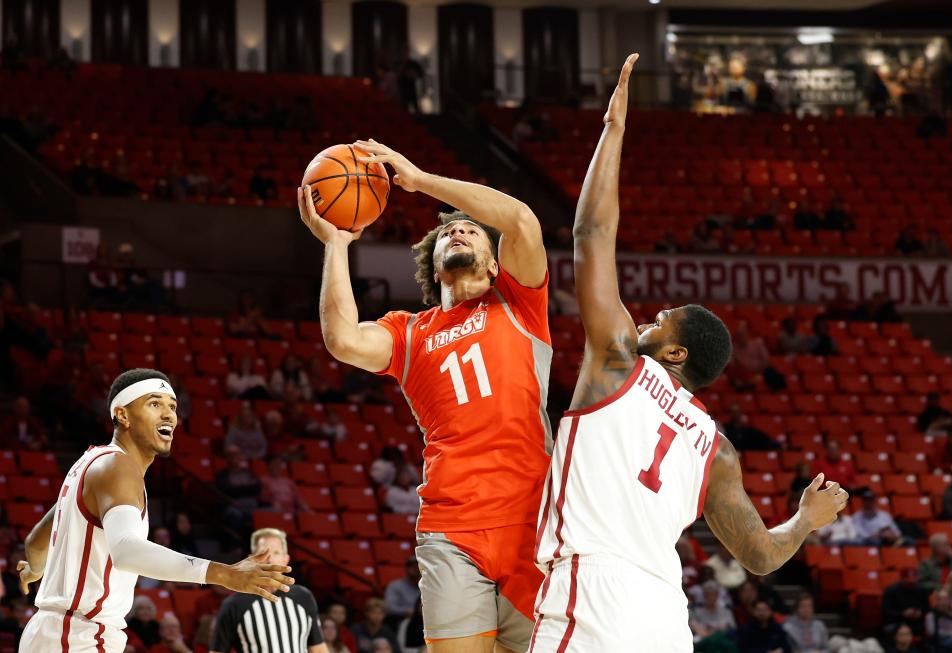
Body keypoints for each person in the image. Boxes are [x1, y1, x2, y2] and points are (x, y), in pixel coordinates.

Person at [526, 55, 847, 653]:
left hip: (593, 592)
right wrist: (805, 520)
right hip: (666, 619)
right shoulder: (717, 448)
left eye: (657, 319)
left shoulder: (619, 364)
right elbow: (758, 554)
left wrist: (613, 131)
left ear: (673, 350)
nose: (642, 319)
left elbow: (590, 236)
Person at [299, 127, 553, 653]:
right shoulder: (409, 332)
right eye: (448, 232)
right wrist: (337, 246)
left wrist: (419, 181)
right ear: (432, 262)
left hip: (532, 517)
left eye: (471, 231)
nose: (458, 230)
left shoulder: (519, 302)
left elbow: (522, 219)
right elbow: (343, 339)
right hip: (451, 524)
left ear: (494, 262)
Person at [16, 368, 294, 652]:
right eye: (154, 403)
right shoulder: (118, 468)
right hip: (77, 636)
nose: (169, 414)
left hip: (56, 633)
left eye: (172, 406)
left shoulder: (88, 465)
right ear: (122, 415)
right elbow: (126, 550)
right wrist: (223, 574)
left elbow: (36, 542)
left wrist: (36, 569)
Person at [210, 528, 327, 653]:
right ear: (252, 559)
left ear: (285, 559)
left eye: (276, 553)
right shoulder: (234, 604)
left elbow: (318, 649)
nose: (270, 560)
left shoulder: (304, 597)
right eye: (264, 553)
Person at [882, 568, 927, 635]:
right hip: (895, 622)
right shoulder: (891, 590)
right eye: (908, 582)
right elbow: (886, 612)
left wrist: (920, 612)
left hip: (916, 623)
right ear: (902, 579)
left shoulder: (921, 590)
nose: (911, 585)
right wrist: (903, 613)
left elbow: (927, 608)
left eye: (913, 582)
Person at [385, 557, 422, 625]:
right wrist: (406, 611)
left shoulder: (427, 586)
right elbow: (389, 608)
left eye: (417, 566)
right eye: (411, 566)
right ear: (407, 568)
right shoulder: (395, 586)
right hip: (402, 621)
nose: (415, 569)